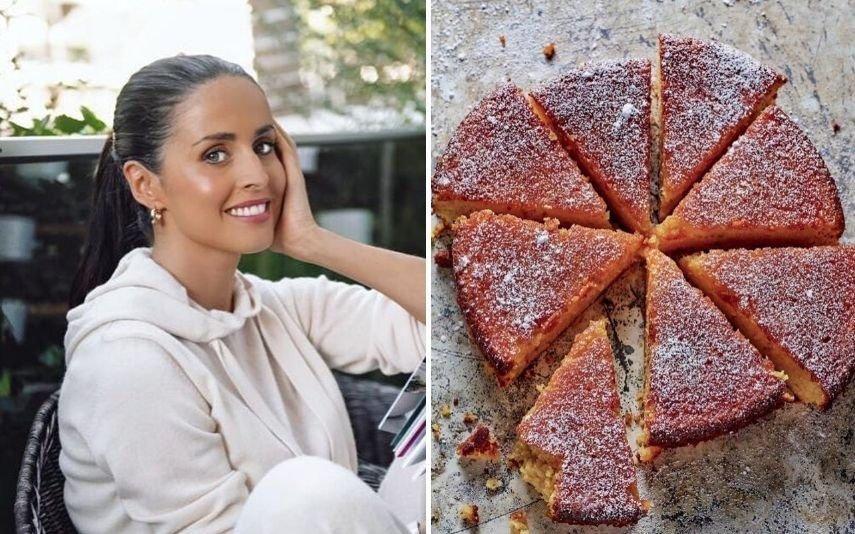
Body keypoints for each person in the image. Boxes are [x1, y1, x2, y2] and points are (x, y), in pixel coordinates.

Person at [58, 54, 426, 533]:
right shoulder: (126, 359)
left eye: (265, 145)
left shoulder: (273, 308)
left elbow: (446, 320)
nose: (257, 174)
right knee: (311, 490)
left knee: (435, 433)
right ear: (146, 185)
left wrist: (313, 241)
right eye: (216, 154)